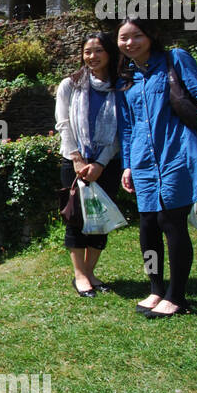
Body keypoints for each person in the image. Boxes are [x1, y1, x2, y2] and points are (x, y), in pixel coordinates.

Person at [114, 19, 197, 318]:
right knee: (148, 225)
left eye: (137, 36)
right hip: (142, 159)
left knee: (170, 220)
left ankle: (177, 296)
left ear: (151, 36)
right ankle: (155, 288)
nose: (130, 43)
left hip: (176, 151)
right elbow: (127, 127)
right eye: (124, 37)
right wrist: (127, 165)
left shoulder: (175, 60)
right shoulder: (126, 78)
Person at [55, 32, 123, 298]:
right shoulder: (70, 85)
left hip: (107, 163)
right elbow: (63, 124)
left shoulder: (120, 86)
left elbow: (121, 130)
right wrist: (78, 159)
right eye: (87, 51)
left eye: (98, 51)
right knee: (76, 218)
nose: (92, 57)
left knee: (100, 219)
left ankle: (91, 271)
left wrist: (100, 164)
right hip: (73, 162)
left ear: (109, 54)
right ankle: (80, 275)